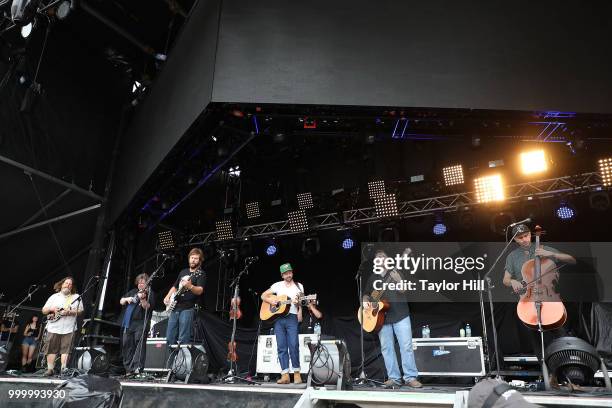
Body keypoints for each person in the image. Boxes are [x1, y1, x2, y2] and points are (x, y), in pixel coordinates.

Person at [502, 223, 576, 362]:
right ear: (514, 240)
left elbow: (572, 260)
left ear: (531, 234)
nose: (524, 239)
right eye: (520, 238)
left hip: (548, 298)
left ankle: (567, 367)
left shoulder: (543, 249)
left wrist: (551, 254)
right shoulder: (512, 257)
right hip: (528, 302)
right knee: (537, 342)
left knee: (562, 336)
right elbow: (505, 279)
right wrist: (512, 281)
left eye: (526, 235)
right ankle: (547, 371)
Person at [363, 249, 422, 388]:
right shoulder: (373, 278)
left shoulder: (395, 273)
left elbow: (403, 290)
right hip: (382, 318)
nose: (381, 258)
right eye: (378, 257)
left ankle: (410, 377)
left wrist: (399, 280)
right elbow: (366, 294)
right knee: (386, 348)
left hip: (400, 314)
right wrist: (365, 302)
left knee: (406, 346)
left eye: (384, 256)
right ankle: (394, 378)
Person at [261, 263, 304, 384]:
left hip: (292, 317)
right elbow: (263, 295)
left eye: (289, 272)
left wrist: (297, 303)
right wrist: (272, 301)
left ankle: (296, 373)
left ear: (292, 273)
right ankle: (285, 374)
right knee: (281, 346)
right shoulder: (277, 285)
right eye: (285, 273)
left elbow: (301, 303)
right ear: (282, 275)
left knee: (294, 345)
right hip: (279, 319)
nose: (288, 275)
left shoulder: (299, 286)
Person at [41, 277, 84, 376]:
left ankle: (64, 369)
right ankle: (50, 369)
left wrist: (70, 311)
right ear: (61, 284)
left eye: (70, 284)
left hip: (69, 327)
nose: (68, 285)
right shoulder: (54, 297)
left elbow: (81, 311)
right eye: (66, 283)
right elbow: (44, 310)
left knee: (66, 349)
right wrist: (52, 308)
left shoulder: (76, 297)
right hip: (53, 326)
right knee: (51, 348)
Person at [163, 248, 206, 346]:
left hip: (188, 308)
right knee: (170, 337)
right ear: (189, 258)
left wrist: (190, 286)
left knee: (183, 338)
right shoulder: (183, 272)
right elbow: (175, 286)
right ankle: (171, 361)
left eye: (196, 258)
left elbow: (200, 290)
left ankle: (183, 361)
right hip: (175, 307)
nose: (193, 260)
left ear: (199, 261)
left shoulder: (200, 274)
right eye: (192, 258)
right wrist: (167, 297)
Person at [119, 273, 155, 376]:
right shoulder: (133, 292)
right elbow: (121, 301)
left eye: (143, 283)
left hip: (141, 323)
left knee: (138, 345)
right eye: (139, 283)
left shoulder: (150, 293)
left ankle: (137, 369)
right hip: (128, 323)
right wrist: (127, 299)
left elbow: (148, 307)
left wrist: (143, 299)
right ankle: (128, 370)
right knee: (127, 345)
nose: (140, 285)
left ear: (147, 284)